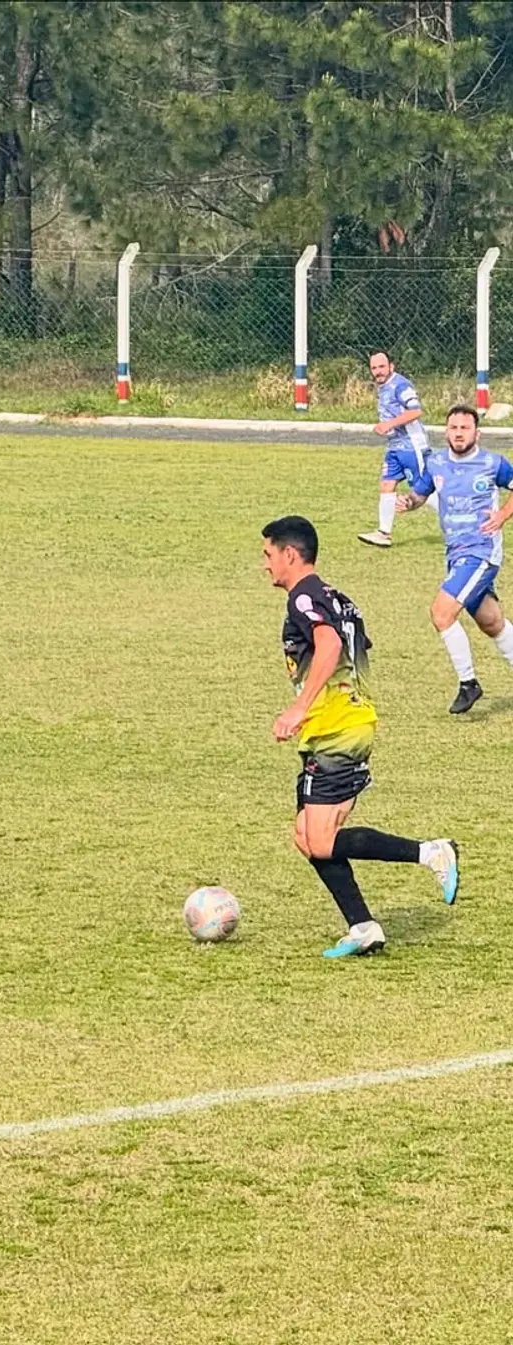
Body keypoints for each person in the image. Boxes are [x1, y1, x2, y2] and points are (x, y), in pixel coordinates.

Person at [263, 514, 457, 958]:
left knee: (322, 840)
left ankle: (431, 852)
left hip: (337, 731)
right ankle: (364, 926)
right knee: (305, 836)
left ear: (290, 554)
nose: (266, 564)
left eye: (269, 555)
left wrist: (299, 707)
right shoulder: (339, 598)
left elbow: (330, 646)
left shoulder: (304, 598)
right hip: (342, 725)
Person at [396, 404, 513, 714]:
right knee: (492, 623)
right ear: (446, 431)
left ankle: (468, 683)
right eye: (453, 428)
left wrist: (502, 515)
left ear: (477, 432)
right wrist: (408, 502)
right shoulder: (436, 464)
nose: (459, 433)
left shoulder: (492, 463)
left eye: (465, 428)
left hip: (481, 554)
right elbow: (420, 493)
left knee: (441, 613)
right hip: (456, 555)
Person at [358, 350, 434, 548]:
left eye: (381, 367)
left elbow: (416, 411)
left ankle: (463, 521)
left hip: (412, 446)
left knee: (427, 491)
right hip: (394, 448)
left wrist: (389, 424)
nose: (378, 371)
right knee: (386, 485)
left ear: (391, 366)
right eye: (374, 368)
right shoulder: (383, 388)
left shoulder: (401, 385)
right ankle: (384, 533)